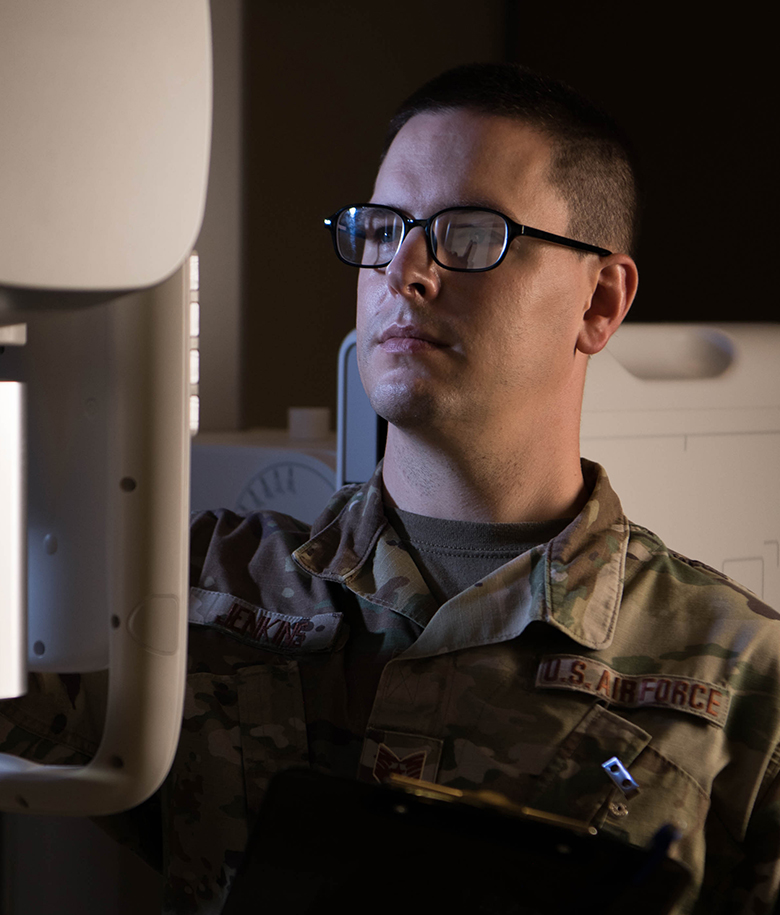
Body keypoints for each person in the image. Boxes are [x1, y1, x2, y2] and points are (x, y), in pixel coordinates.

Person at [2, 62, 780, 915]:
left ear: (599, 300)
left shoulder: (746, 683)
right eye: (382, 227)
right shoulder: (200, 592)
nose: (404, 271)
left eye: (472, 232)